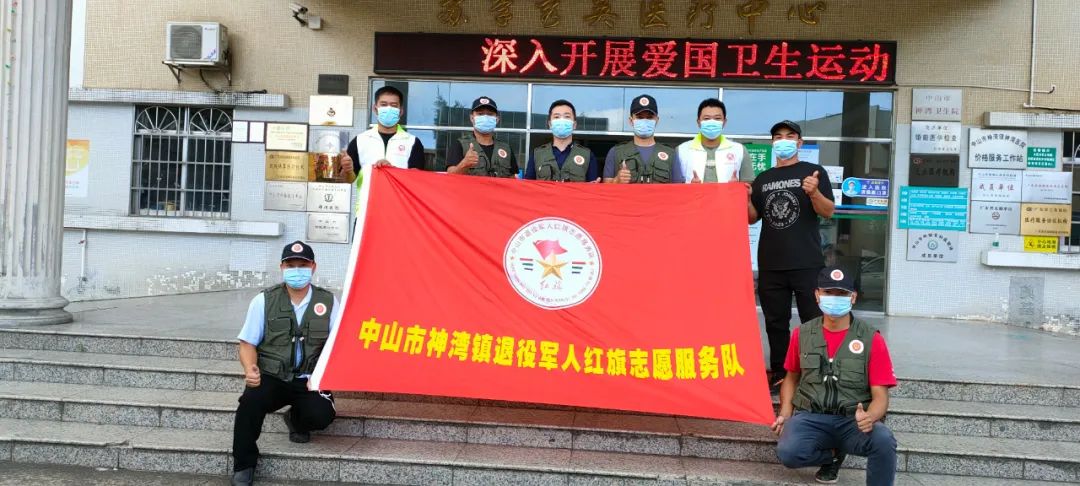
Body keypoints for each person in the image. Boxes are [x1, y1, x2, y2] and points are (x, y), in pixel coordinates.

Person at [772, 266, 897, 485]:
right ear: (817, 295)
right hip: (811, 417)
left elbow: (880, 395)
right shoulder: (802, 334)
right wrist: (785, 413)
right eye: (828, 292)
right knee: (788, 452)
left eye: (842, 293)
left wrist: (870, 417)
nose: (834, 298)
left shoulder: (871, 339)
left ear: (853, 297)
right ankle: (832, 456)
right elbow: (791, 378)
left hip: (851, 421)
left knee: (884, 440)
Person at [231, 241, 341, 486]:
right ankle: (244, 465)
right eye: (291, 265)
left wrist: (323, 375)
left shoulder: (328, 302)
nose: (297, 270)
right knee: (249, 403)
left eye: (303, 265)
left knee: (323, 415)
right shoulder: (264, 300)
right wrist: (250, 368)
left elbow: (337, 345)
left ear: (313, 267)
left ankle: (296, 420)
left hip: (309, 379)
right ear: (282, 267)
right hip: (273, 376)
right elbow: (247, 343)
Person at [748, 120, 835, 394]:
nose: (783, 140)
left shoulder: (813, 172)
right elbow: (752, 218)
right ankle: (780, 373)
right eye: (778, 137)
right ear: (773, 143)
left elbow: (828, 211)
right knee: (775, 322)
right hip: (771, 263)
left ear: (799, 143)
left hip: (807, 261)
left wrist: (814, 192)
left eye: (789, 136)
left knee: (813, 321)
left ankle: (813, 374)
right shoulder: (763, 179)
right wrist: (746, 198)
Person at [339, 85, 426, 195]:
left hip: (399, 204)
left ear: (401, 111)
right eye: (384, 104)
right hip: (368, 205)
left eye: (394, 105)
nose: (388, 109)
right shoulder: (360, 140)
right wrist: (347, 170)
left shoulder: (412, 142)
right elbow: (347, 180)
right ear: (375, 109)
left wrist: (392, 171)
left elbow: (417, 180)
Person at [603, 94, 684, 184]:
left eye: (649, 117)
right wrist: (616, 180)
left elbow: (679, 189)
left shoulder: (671, 154)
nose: (645, 121)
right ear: (631, 120)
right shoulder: (616, 152)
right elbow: (604, 188)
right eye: (639, 117)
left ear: (657, 120)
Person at [677, 98, 754, 184]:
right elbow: (674, 186)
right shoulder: (682, 150)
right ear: (698, 122)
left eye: (717, 118)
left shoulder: (739, 150)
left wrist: (736, 187)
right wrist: (690, 188)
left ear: (724, 122)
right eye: (706, 118)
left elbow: (748, 185)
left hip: (728, 194)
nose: (712, 122)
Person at [525, 99, 600, 182]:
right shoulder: (537, 154)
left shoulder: (587, 155)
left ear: (574, 125)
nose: (561, 120)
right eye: (556, 117)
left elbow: (592, 187)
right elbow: (527, 186)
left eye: (567, 117)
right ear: (550, 124)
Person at [445, 96, 518, 177]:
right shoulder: (459, 145)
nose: (485, 117)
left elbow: (513, 179)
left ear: (497, 119)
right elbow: (450, 177)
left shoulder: (506, 148)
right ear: (472, 118)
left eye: (490, 114)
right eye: (480, 114)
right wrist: (464, 164)